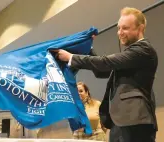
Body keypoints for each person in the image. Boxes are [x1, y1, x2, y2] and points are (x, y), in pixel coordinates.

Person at [54, 7, 158, 142]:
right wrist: (87, 48)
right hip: (119, 122)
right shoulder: (129, 56)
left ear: (140, 28)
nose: (120, 32)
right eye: (118, 28)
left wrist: (71, 58)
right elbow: (102, 71)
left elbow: (106, 62)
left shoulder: (143, 50)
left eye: (125, 28)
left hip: (136, 121)